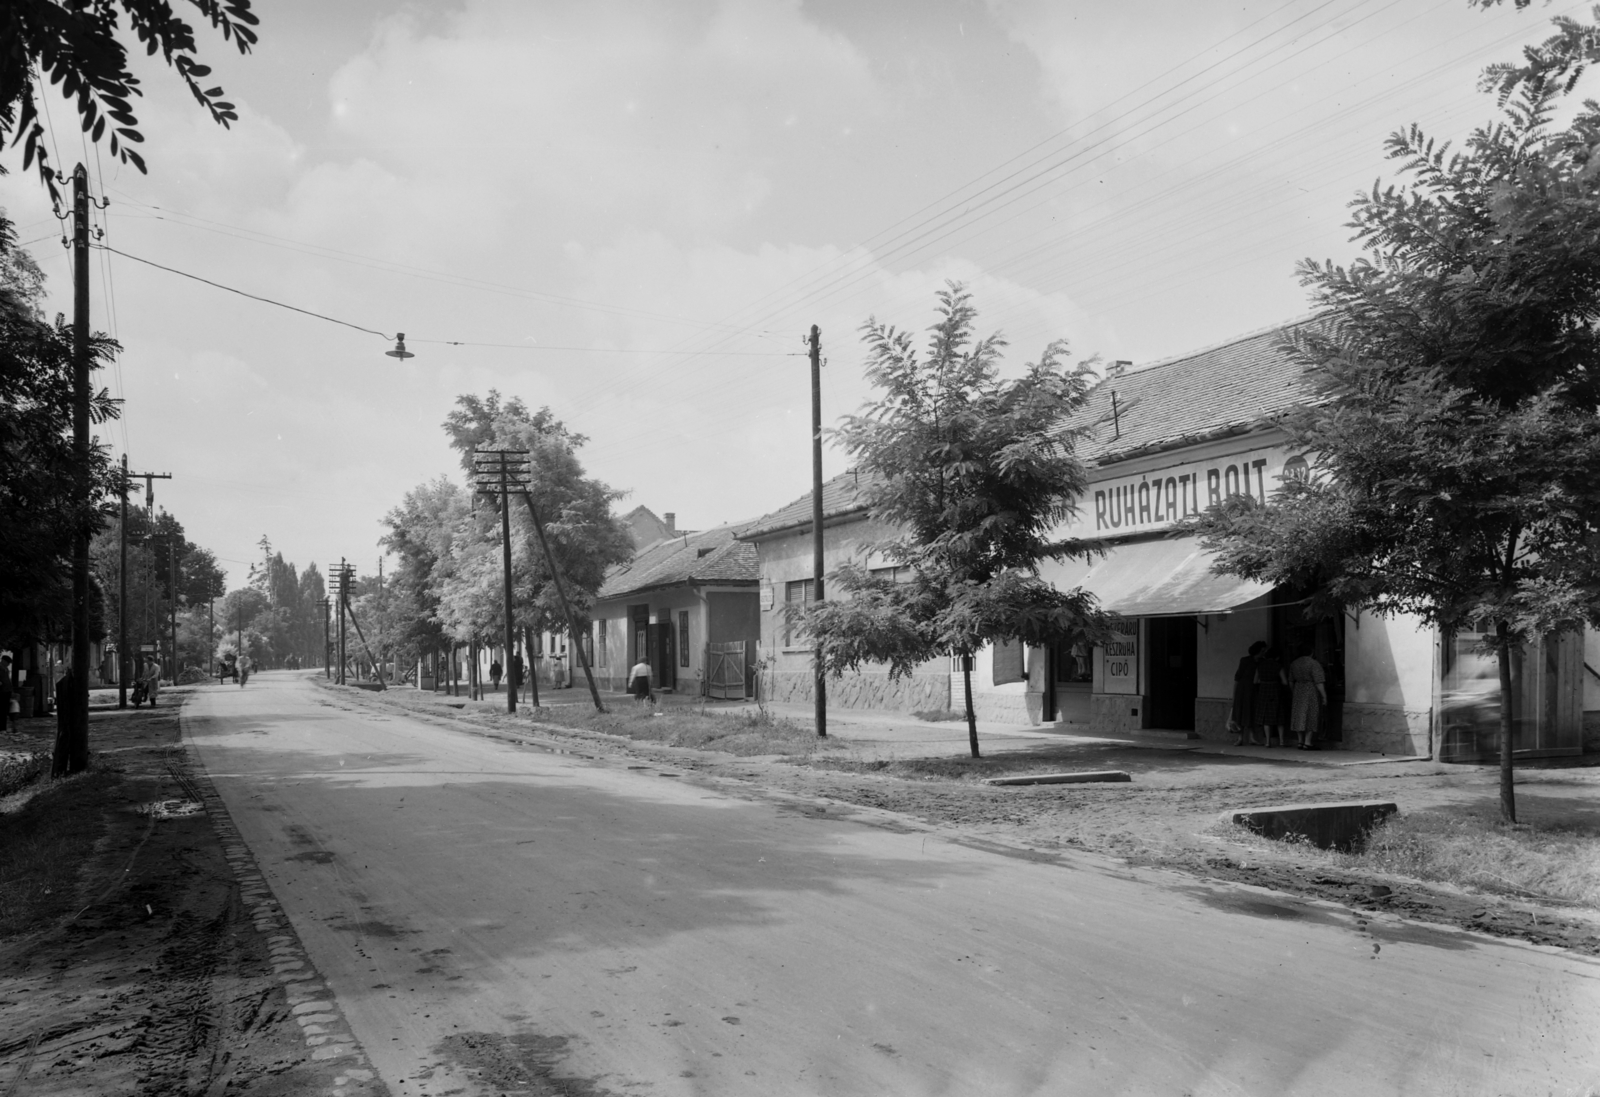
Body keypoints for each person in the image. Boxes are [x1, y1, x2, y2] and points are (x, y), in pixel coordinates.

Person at [1288, 644, 1328, 750]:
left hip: (1298, 689)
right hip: (1310, 690)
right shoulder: (1314, 664)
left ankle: (1300, 741)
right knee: (1311, 714)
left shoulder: (1294, 663)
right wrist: (1324, 696)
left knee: (1298, 715)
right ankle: (1308, 742)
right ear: (1311, 652)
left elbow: (1291, 680)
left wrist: (1294, 691)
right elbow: (1319, 681)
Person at [1230, 641, 1266, 746]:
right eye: (1262, 650)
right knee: (1241, 713)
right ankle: (1240, 738)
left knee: (1251, 712)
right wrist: (1234, 694)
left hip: (1254, 690)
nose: (1263, 653)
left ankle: (1251, 737)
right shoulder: (1245, 660)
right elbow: (1237, 677)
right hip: (1243, 689)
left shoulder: (1262, 662)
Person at [1253, 645, 1288, 747]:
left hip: (1263, 691)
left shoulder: (1260, 666)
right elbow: (1285, 682)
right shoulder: (1278, 666)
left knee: (1265, 718)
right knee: (1279, 717)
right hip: (1275, 691)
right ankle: (1281, 742)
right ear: (1277, 656)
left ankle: (1267, 742)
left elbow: (1255, 681)